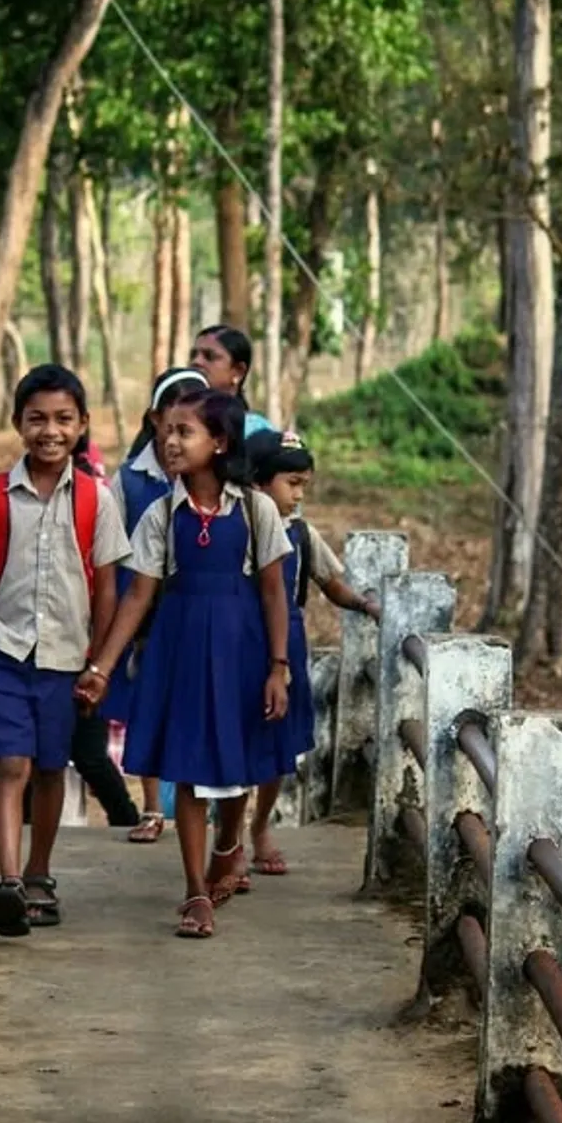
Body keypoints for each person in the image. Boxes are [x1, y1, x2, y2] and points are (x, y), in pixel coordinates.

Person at [76, 390, 292, 940]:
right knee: (189, 765)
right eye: (166, 431)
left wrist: (278, 666)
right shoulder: (160, 515)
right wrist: (102, 668)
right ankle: (196, 889)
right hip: (183, 649)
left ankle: (228, 846)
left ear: (218, 442)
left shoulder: (256, 510)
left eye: (184, 432)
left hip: (241, 650)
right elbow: (138, 596)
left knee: (237, 765)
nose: (169, 442)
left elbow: (273, 592)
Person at [0, 363, 130, 938]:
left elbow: (107, 586)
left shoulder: (97, 499)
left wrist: (97, 661)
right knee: (13, 765)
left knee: (52, 768)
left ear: (82, 425)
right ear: (17, 424)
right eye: (37, 419)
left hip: (67, 660)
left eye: (63, 419)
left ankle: (38, 873)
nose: (50, 431)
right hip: (4, 654)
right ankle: (7, 882)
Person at [246, 428, 379, 874]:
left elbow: (329, 581)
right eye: (292, 483)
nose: (299, 495)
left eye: (304, 485)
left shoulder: (301, 534)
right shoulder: (235, 528)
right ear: (258, 482)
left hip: (287, 645)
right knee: (235, 738)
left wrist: (364, 605)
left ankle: (260, 827)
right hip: (240, 643)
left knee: (279, 746)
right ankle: (226, 839)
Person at [106, 364, 210, 842]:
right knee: (147, 704)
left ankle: (200, 804)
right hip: (145, 611)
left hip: (201, 606)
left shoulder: (216, 479)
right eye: (172, 423)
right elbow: (110, 552)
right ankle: (151, 807)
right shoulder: (130, 481)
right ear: (154, 419)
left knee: (199, 704)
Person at [189, 324, 274, 437]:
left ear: (238, 371)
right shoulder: (177, 422)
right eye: (193, 355)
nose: (196, 362)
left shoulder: (256, 431)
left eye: (209, 356)